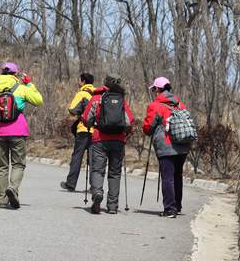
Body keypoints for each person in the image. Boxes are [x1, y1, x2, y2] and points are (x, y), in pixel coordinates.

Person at [0, 62, 43, 209]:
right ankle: (13, 188)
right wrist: (29, 85)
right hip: (18, 130)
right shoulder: (21, 88)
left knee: (1, 166)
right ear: (16, 74)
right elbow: (38, 100)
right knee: (18, 163)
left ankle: (1, 200)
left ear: (2, 73)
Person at [81, 74, 134, 214]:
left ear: (105, 82)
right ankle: (112, 206)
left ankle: (97, 192)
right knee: (115, 173)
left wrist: (91, 124)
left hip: (99, 139)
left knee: (98, 169)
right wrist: (126, 132)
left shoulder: (97, 98)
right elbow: (129, 121)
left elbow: (86, 118)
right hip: (118, 140)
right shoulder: (121, 99)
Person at [142, 77, 192, 218]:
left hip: (166, 146)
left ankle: (170, 209)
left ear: (158, 89)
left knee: (168, 177)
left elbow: (148, 128)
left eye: (154, 89)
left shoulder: (155, 106)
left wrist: (147, 128)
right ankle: (177, 206)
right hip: (182, 145)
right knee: (177, 176)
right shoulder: (180, 104)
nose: (153, 92)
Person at [60, 72, 95, 192]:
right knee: (94, 159)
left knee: (77, 157)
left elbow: (73, 110)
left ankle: (71, 183)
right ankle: (95, 186)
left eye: (79, 80)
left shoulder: (82, 93)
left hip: (84, 129)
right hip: (96, 131)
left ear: (83, 81)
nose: (78, 82)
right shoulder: (98, 94)